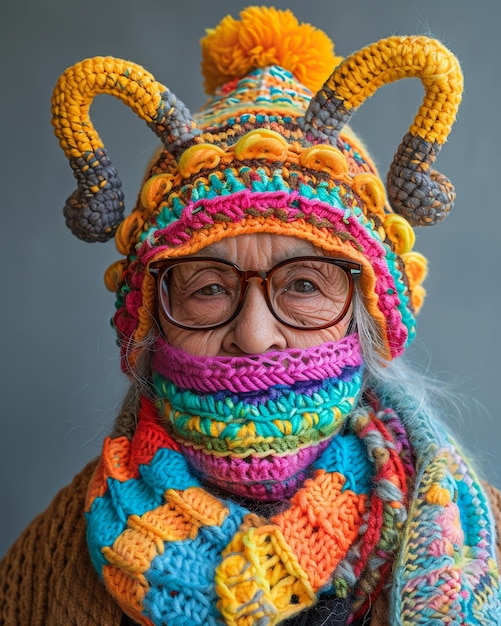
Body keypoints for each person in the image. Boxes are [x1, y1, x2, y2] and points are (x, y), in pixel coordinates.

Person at [1, 6, 500, 625]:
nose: (256, 337)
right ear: (149, 324)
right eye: (208, 288)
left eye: (304, 284)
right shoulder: (44, 568)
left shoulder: (477, 544)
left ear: (370, 319)